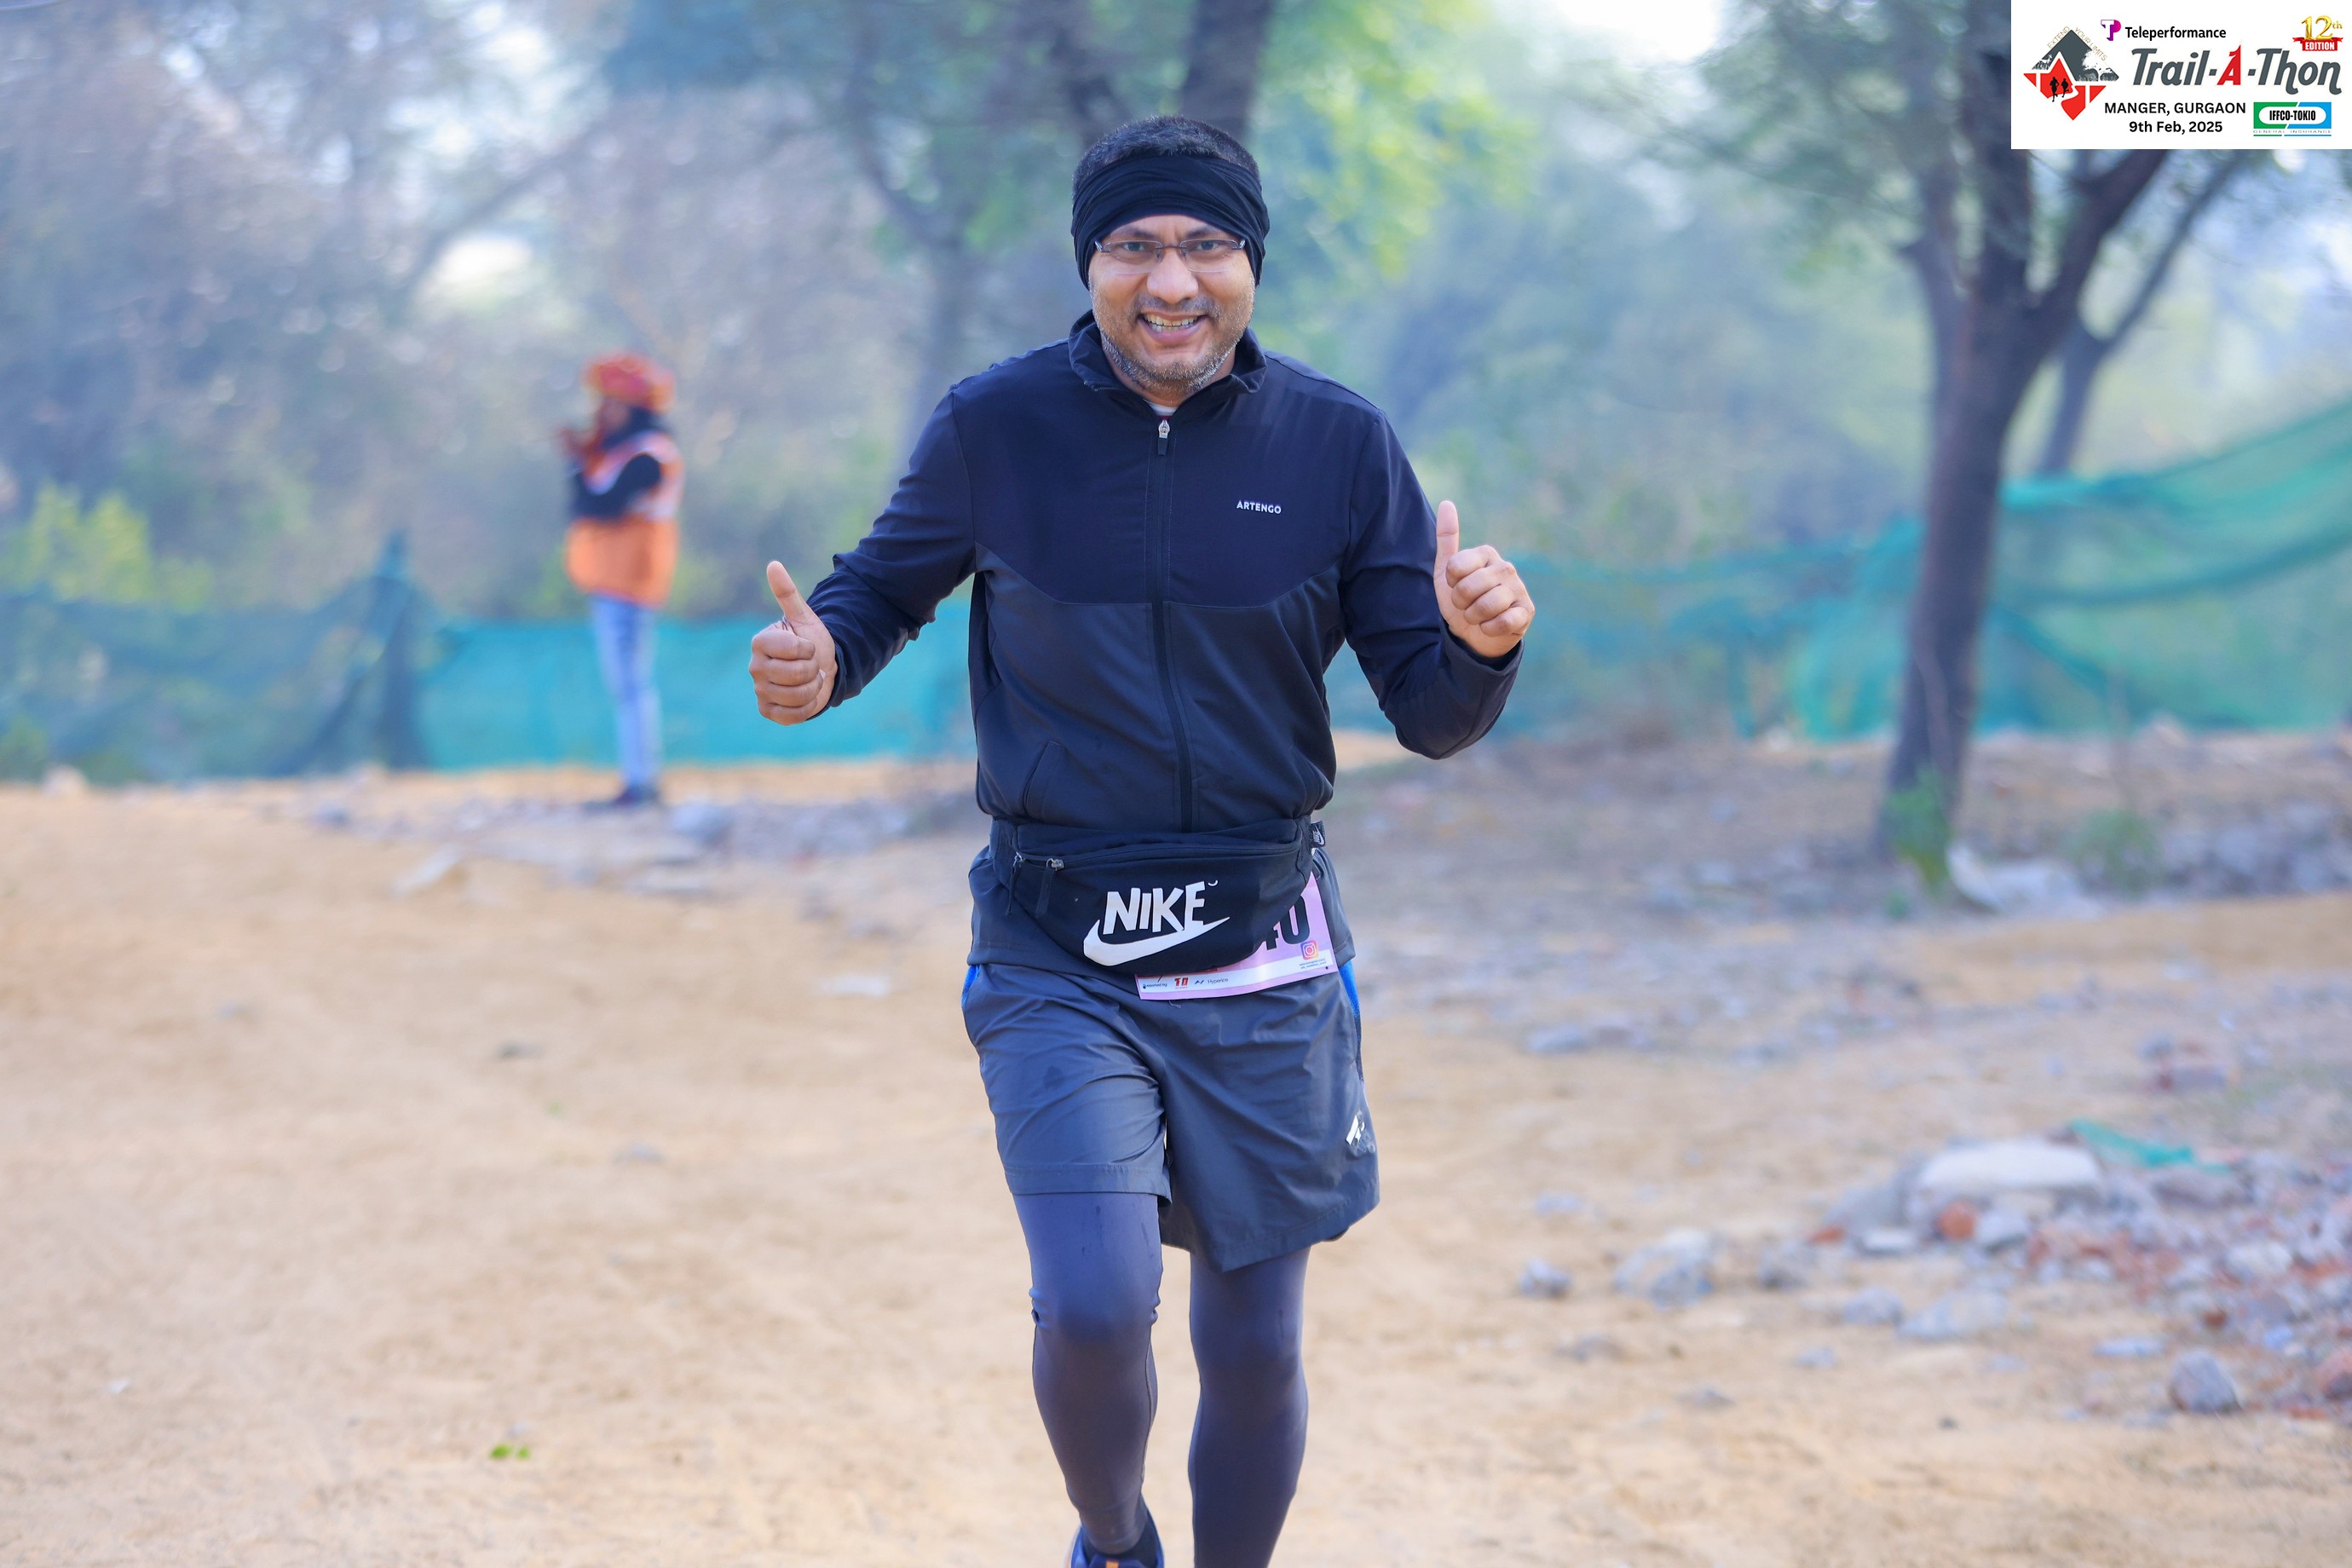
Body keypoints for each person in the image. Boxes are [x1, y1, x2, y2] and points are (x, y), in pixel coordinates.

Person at [748, 117, 1533, 1568]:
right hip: (1060, 942)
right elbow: (874, 596)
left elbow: (1429, 710)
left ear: (1251, 265)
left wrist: (1483, 647)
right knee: (1097, 1303)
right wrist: (819, 660)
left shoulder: (1337, 444)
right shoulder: (997, 428)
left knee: (1255, 1344)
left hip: (1262, 948)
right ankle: (1114, 1545)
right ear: (1090, 265)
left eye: (1206, 245)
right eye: (1134, 246)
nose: (1172, 281)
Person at [562, 351, 683, 808]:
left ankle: (641, 782)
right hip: (612, 583)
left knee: (631, 684)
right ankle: (638, 779)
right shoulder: (621, 452)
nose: (603, 411)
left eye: (612, 402)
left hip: (629, 584)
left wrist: (576, 462)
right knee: (628, 684)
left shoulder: (649, 455)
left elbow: (600, 506)